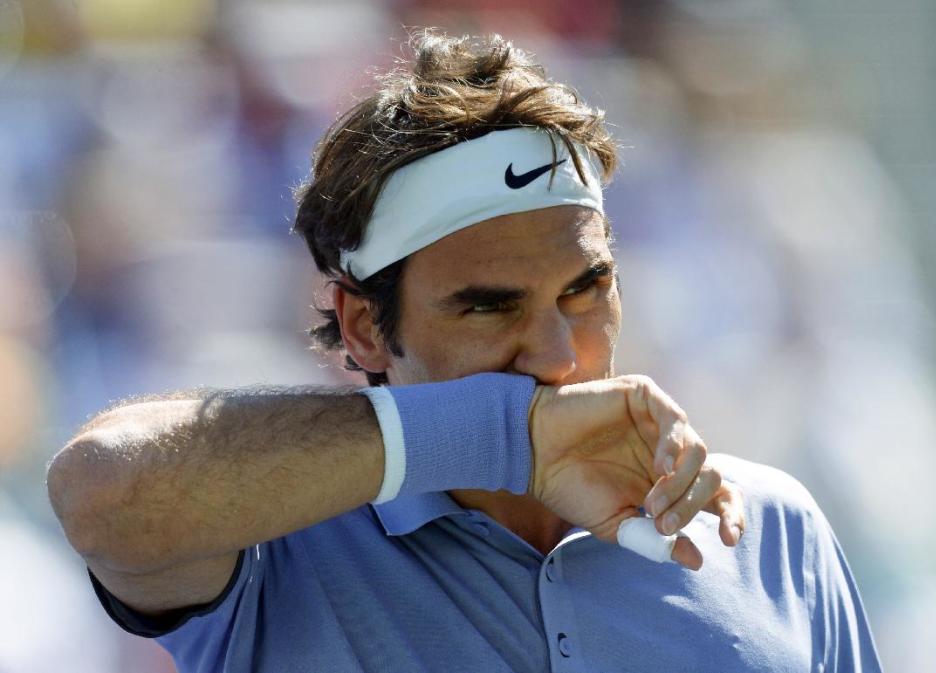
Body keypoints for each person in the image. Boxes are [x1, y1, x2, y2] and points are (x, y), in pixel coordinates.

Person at [46, 31, 883, 673]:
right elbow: (99, 487)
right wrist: (500, 433)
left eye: (586, 288)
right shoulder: (275, 540)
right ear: (365, 325)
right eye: (490, 305)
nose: (558, 355)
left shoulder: (772, 526)